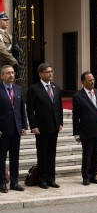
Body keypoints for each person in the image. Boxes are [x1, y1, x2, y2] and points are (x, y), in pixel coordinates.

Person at [26, 63, 63, 189]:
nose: (50, 74)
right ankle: (41, 179)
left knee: (52, 154)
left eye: (51, 71)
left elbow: (59, 107)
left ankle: (51, 178)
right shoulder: (34, 89)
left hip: (54, 126)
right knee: (42, 154)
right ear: (41, 74)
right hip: (41, 127)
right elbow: (30, 110)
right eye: (47, 72)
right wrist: (33, 126)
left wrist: (60, 122)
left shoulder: (56, 87)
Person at [72, 71, 97, 186]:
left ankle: (93, 175)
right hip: (86, 130)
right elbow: (75, 117)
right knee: (87, 155)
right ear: (83, 82)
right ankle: (86, 177)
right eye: (89, 80)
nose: (92, 82)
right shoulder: (78, 96)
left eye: (93, 79)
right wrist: (76, 133)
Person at [0, 65, 27, 193]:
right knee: (1, 157)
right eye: (8, 73)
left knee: (15, 157)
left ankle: (15, 182)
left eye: (12, 73)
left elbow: (22, 109)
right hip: (2, 130)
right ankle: (2, 183)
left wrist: (24, 126)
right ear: (2, 76)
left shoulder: (19, 89)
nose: (11, 75)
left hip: (16, 128)